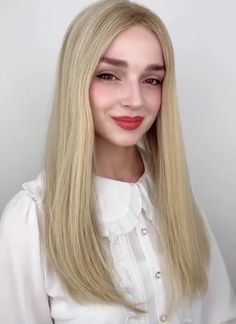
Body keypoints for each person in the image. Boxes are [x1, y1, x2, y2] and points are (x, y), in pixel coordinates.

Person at [0, 0, 235, 323]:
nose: (135, 100)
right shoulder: (31, 221)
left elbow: (219, 315)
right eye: (109, 75)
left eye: (152, 80)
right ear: (77, 80)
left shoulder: (176, 198)